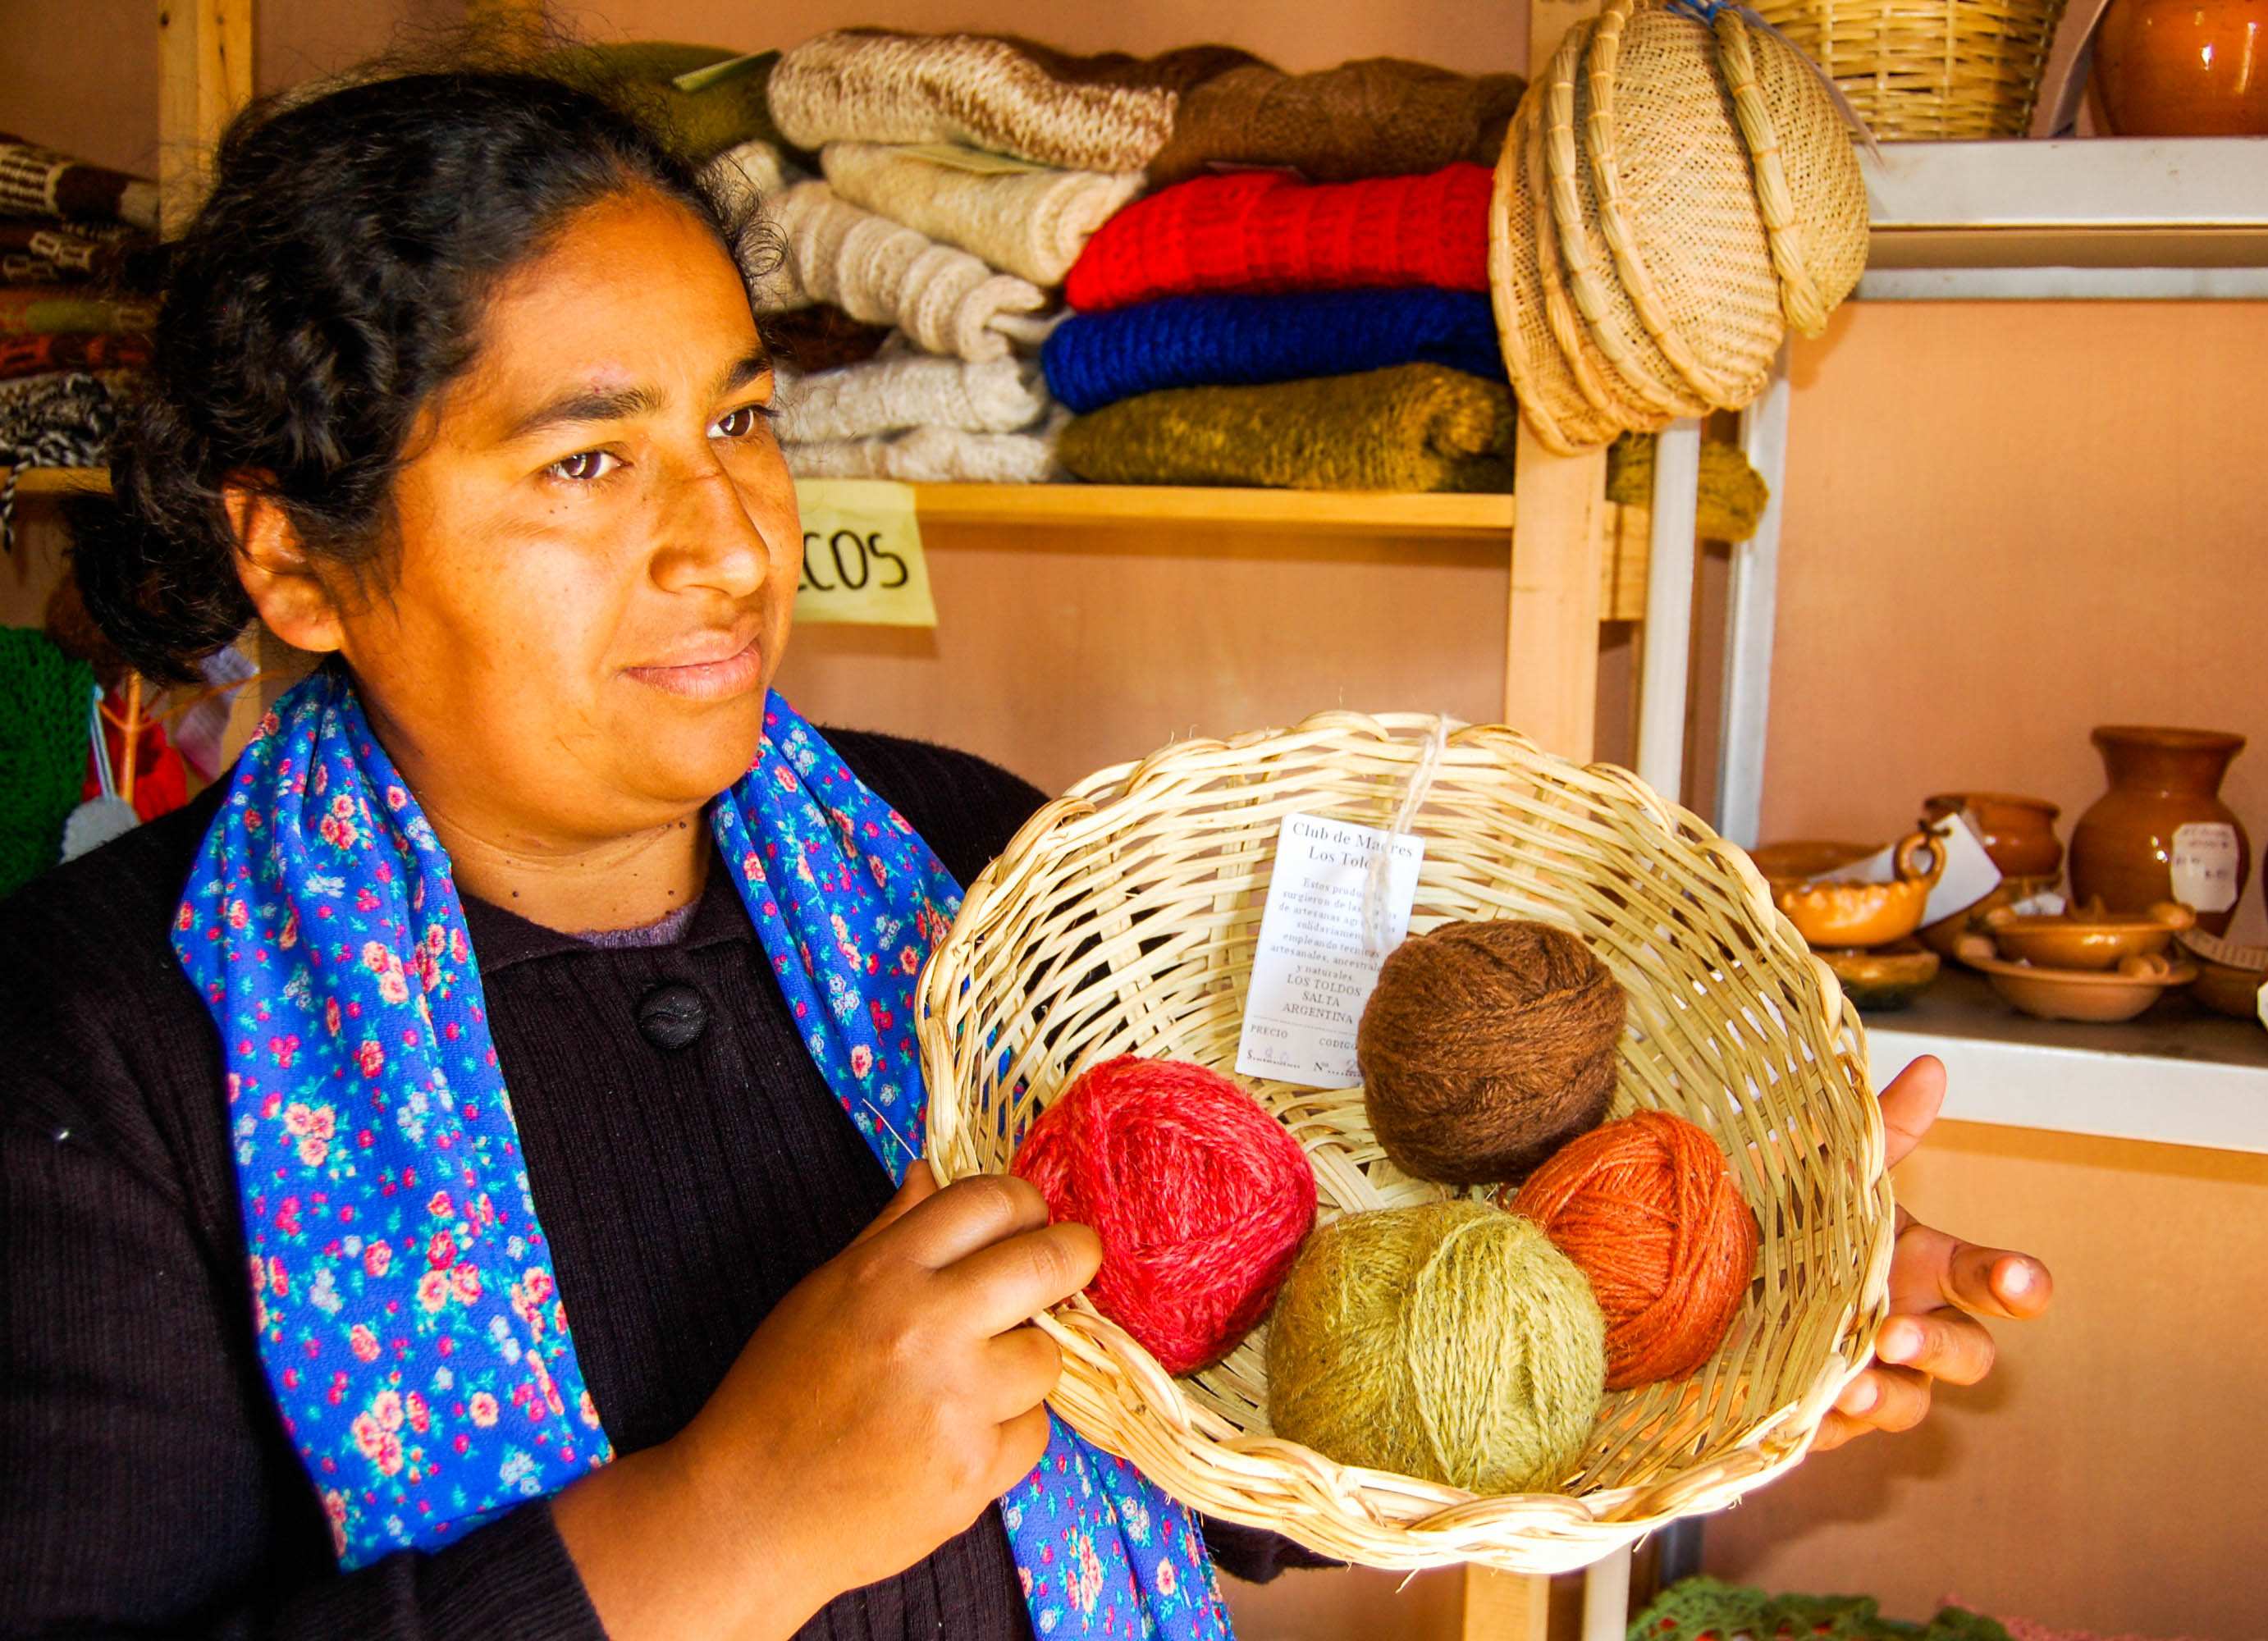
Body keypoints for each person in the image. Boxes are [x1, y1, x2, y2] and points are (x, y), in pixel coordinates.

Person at [0, 67, 2049, 1641]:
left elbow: (1223, 1438)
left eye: (738, 422)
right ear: (295, 558)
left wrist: (1655, 1332)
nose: (728, 538)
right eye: (588, 459)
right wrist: (710, 1531)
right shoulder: (99, 1053)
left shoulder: (976, 877)